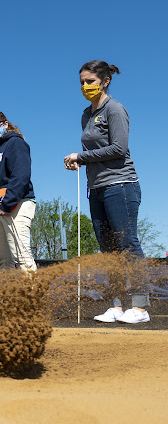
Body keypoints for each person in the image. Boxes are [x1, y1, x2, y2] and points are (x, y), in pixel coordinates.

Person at [64, 60, 148, 324]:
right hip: (96, 187)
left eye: (90, 81)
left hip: (121, 185)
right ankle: (116, 305)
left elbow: (119, 149)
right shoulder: (86, 115)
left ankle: (140, 307)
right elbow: (93, 153)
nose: (85, 86)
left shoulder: (115, 109)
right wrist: (81, 160)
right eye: (82, 82)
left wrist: (81, 155)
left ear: (105, 81)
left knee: (127, 245)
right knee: (108, 249)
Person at [0, 111, 37, 271]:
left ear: (5, 124)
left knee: (21, 257)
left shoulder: (15, 143)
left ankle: (32, 295)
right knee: (3, 262)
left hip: (15, 205)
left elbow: (21, 175)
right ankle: (10, 296)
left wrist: (7, 203)